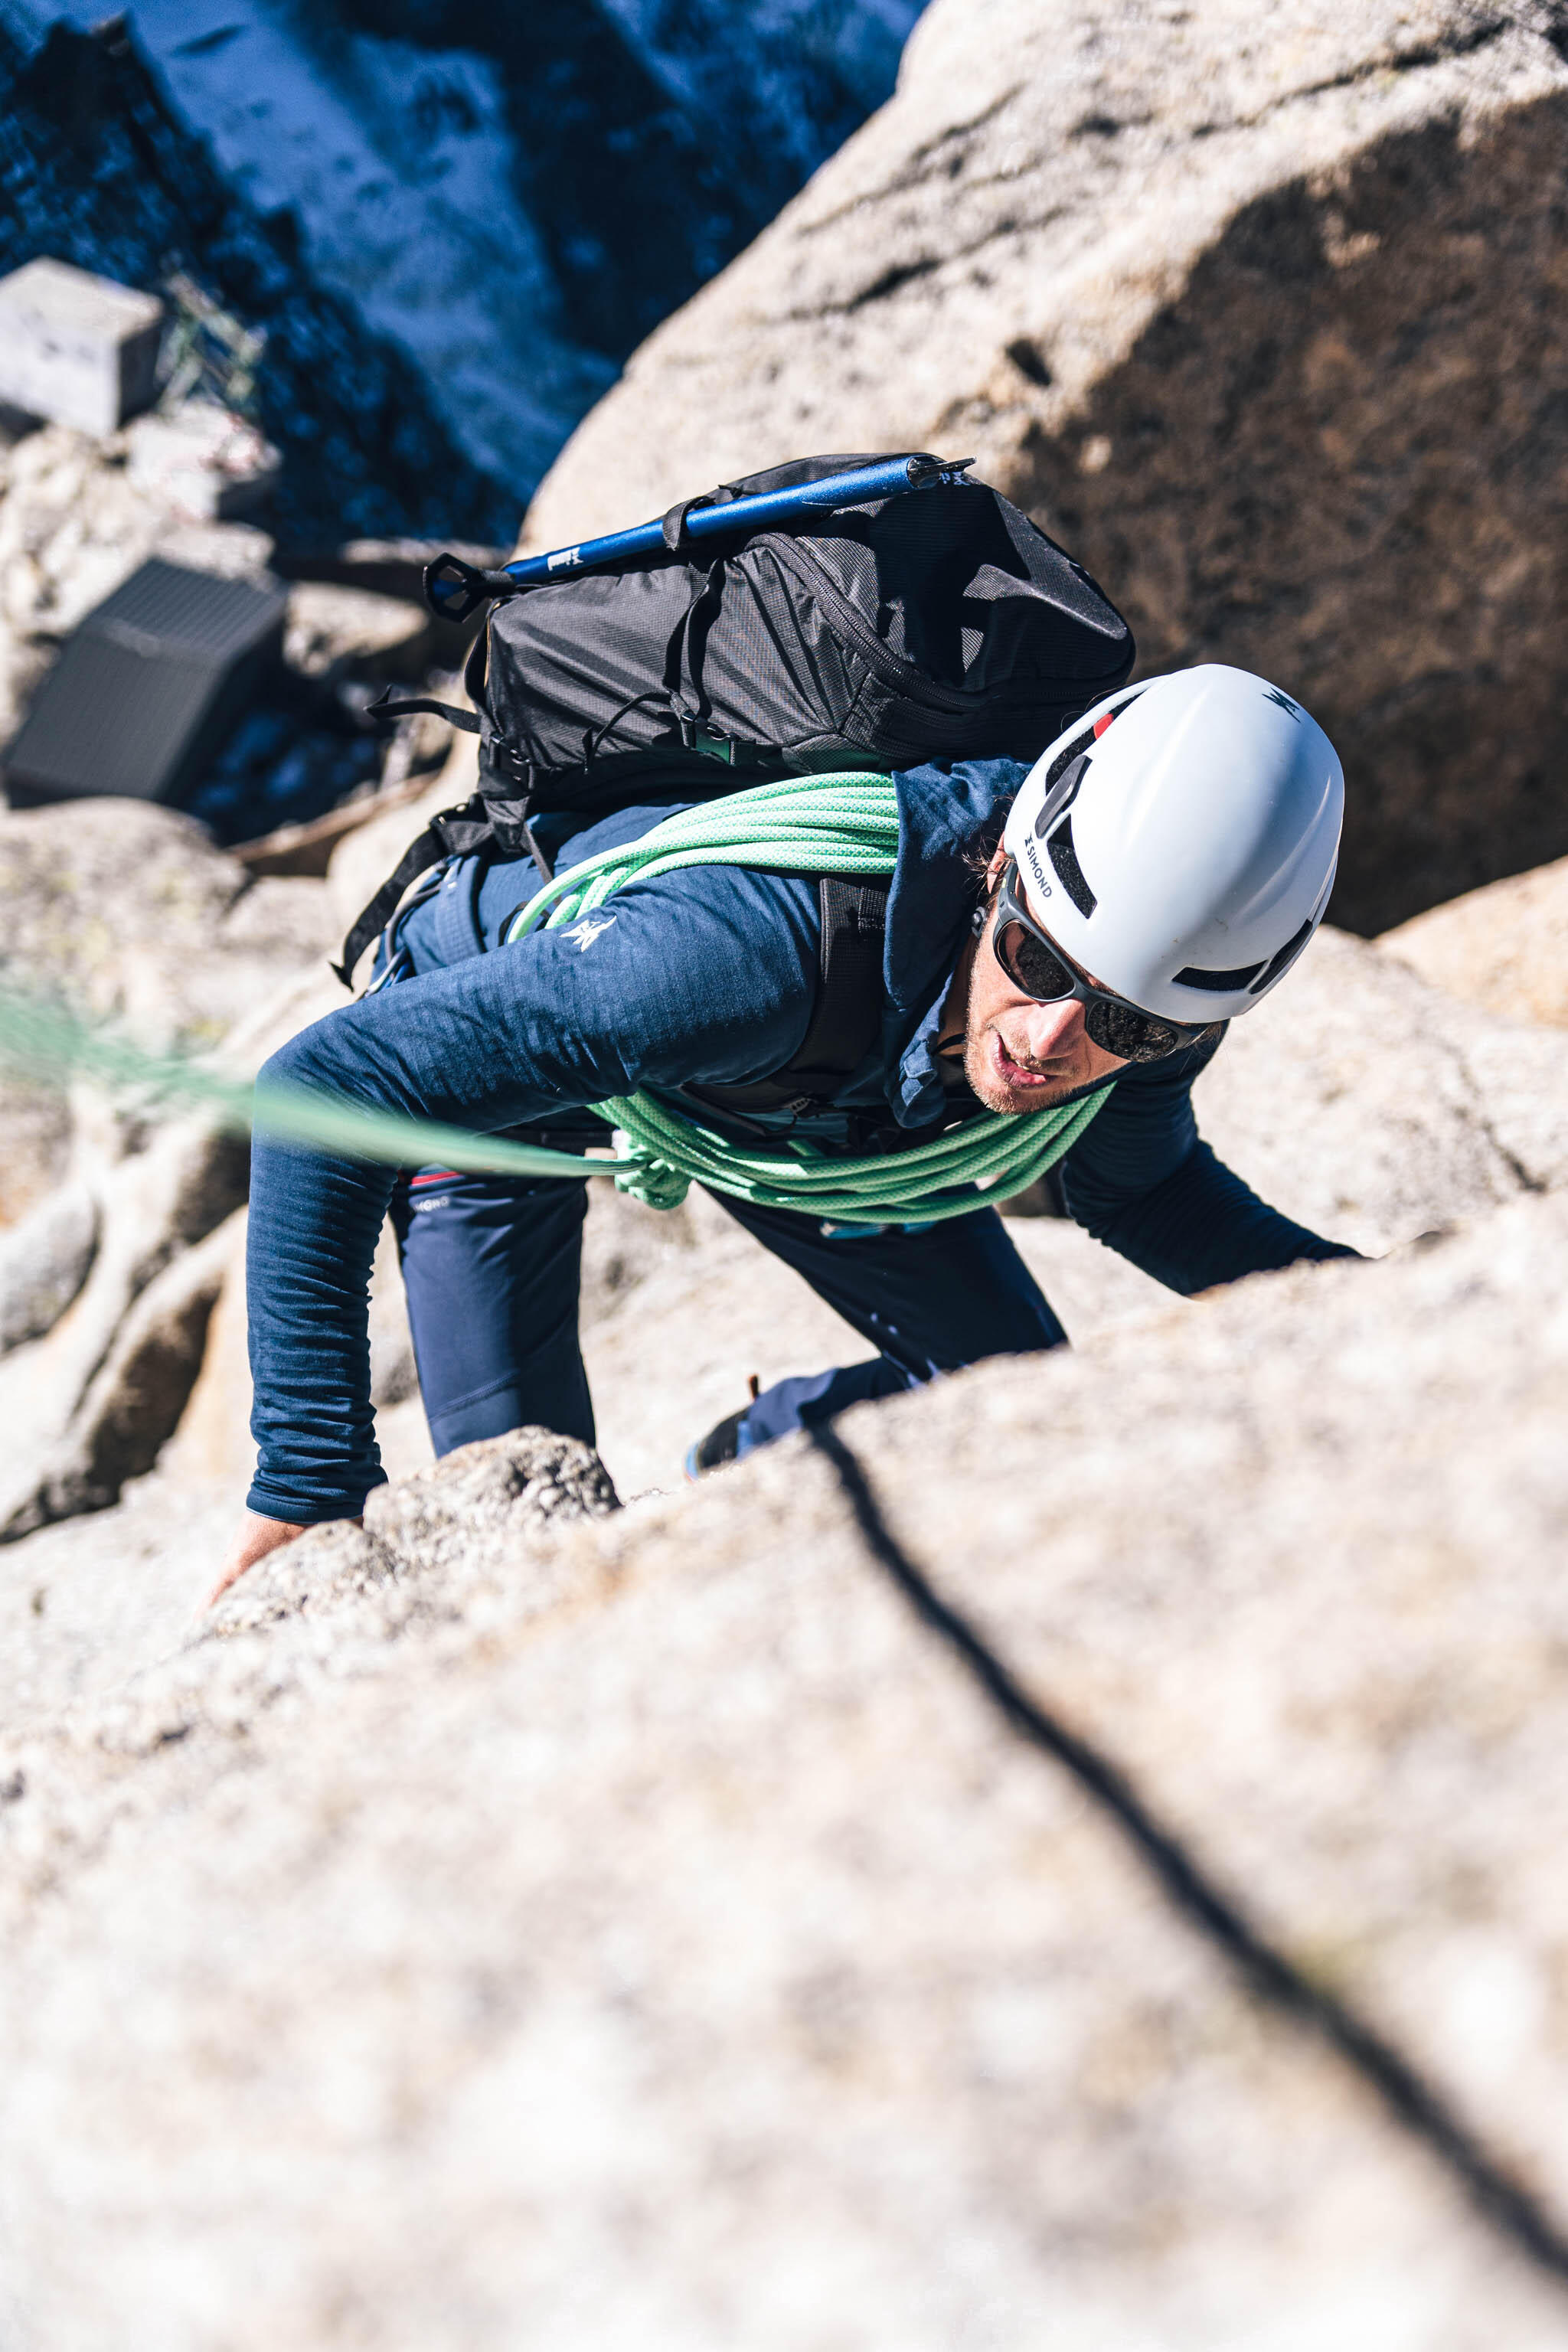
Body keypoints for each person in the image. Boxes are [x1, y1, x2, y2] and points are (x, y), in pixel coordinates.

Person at [210, 663, 1351, 1604]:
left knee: (1012, 1407)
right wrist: (309, 1485)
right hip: (518, 1046)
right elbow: (327, 1088)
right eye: (1036, 960)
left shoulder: (1165, 989)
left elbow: (1143, 1193)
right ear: (999, 864)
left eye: (1123, 1025)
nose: (1051, 1039)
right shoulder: (742, 958)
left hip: (810, 1098)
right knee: (526, 1544)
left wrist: (1390, 1296)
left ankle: (751, 1454)